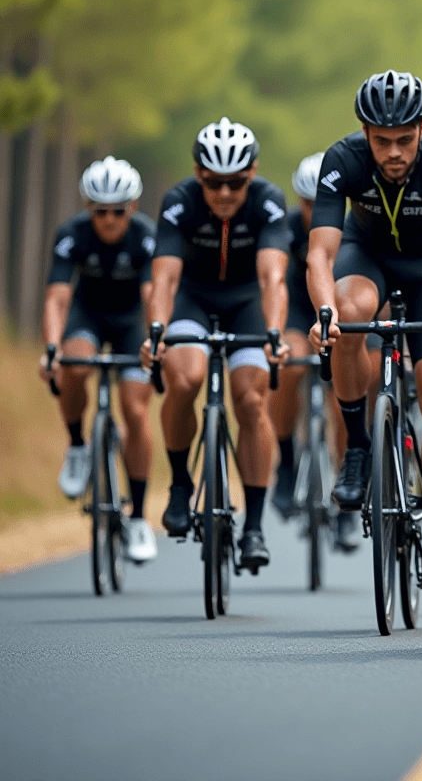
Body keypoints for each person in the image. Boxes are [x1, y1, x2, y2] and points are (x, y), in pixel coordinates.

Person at [306, 71, 422, 591]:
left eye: (404, 140)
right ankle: (356, 447)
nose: (393, 152)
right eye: (381, 141)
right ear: (364, 134)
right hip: (366, 256)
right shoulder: (343, 160)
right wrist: (325, 312)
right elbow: (320, 253)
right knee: (350, 312)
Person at [143, 118, 289, 571]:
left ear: (253, 172)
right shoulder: (178, 201)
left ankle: (256, 527)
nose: (224, 194)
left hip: (247, 304)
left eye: (236, 183)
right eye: (212, 182)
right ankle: (182, 483)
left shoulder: (267, 201)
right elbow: (164, 279)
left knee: (250, 400)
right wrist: (156, 331)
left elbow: (272, 278)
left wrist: (274, 332)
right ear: (196, 173)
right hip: (193, 301)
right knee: (184, 378)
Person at [39, 157, 158, 564]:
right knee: (74, 365)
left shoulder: (145, 237)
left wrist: (155, 343)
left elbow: (151, 297)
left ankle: (140, 517)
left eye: (118, 210)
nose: (109, 220)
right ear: (88, 207)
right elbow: (57, 297)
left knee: (135, 409)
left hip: (131, 324)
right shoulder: (72, 234)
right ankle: (76, 446)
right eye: (100, 210)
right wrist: (52, 349)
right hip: (87, 317)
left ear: (134, 206)